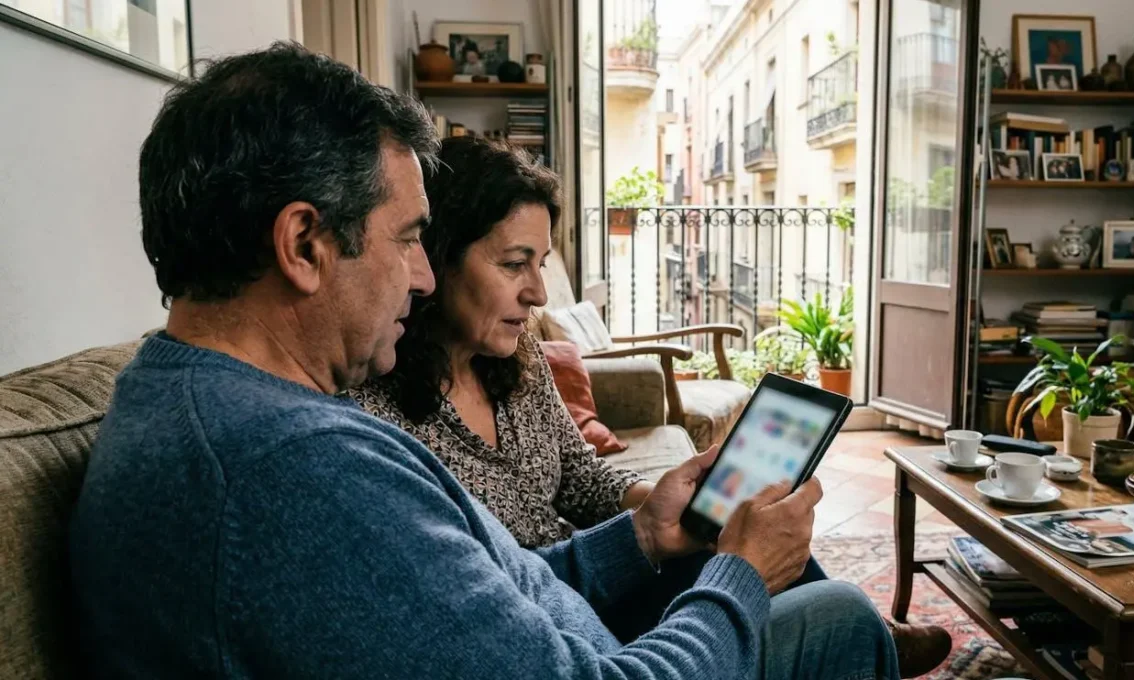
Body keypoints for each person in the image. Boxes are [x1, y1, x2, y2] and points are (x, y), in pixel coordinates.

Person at [67, 43, 899, 679]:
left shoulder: (202, 397)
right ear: (304, 244)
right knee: (843, 619)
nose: (422, 276)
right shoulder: (292, 467)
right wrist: (742, 573)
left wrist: (643, 533)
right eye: (406, 240)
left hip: (572, 631)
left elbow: (467, 600)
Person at [347, 137, 950, 674]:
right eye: (513, 264)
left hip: (588, 580)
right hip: (558, 627)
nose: (535, 292)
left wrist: (667, 505)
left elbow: (581, 478)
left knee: (733, 522)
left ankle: (865, 642)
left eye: (540, 264)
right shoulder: (377, 418)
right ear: (437, 258)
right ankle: (865, 640)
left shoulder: (518, 358)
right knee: (833, 609)